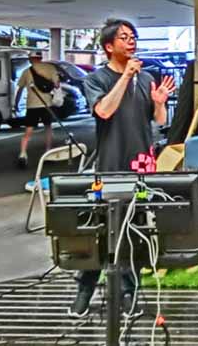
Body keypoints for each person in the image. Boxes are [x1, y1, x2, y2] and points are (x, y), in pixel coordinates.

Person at [68, 18, 176, 319]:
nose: (131, 42)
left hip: (141, 164)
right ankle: (85, 289)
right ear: (108, 46)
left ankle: (130, 293)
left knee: (134, 230)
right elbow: (103, 111)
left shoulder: (146, 77)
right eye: (124, 37)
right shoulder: (97, 79)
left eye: (133, 37)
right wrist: (126, 76)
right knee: (100, 229)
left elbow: (159, 121)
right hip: (110, 165)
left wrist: (159, 103)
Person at [14, 51, 59, 168]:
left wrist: (16, 104)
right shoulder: (50, 68)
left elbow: (20, 89)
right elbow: (57, 85)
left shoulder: (26, 71)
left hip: (32, 105)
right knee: (48, 128)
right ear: (40, 58)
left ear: (31, 59)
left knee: (28, 130)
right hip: (46, 104)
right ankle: (48, 152)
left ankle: (23, 154)